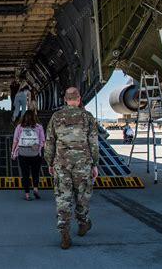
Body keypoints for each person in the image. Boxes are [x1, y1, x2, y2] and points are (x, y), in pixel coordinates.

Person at [44, 87, 99, 249]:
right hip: (83, 163)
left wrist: (49, 162)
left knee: (63, 197)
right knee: (82, 195)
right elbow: (94, 143)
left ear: (65, 99)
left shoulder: (56, 117)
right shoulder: (87, 117)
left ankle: (64, 231)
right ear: (79, 99)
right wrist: (95, 164)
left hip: (61, 163)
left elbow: (49, 142)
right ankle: (83, 222)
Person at [11, 110, 45, 201]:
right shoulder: (39, 127)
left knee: (25, 174)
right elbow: (43, 141)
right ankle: (35, 189)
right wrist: (38, 147)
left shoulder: (19, 127)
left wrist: (13, 152)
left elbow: (15, 141)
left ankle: (27, 194)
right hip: (35, 153)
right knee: (35, 173)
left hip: (22, 153)